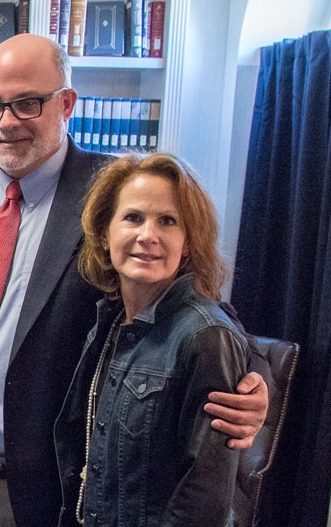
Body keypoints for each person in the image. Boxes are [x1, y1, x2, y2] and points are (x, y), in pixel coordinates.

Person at [0, 33, 269, 527]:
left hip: (64, 486)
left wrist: (253, 380)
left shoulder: (115, 198)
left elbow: (197, 303)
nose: (7, 122)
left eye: (27, 103)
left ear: (67, 103)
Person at [55, 153, 250, 527]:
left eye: (168, 221)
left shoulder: (205, 336)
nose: (148, 236)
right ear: (105, 233)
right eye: (133, 218)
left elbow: (203, 502)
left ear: (188, 242)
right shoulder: (109, 323)